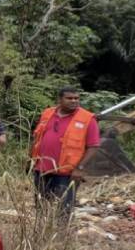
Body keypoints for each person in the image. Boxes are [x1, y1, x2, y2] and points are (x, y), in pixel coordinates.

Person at [31, 86, 100, 215]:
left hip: (66, 173)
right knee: (41, 209)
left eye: (76, 98)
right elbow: (37, 138)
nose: (74, 101)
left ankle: (61, 234)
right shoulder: (47, 113)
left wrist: (80, 168)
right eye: (69, 98)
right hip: (41, 170)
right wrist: (30, 161)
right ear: (60, 99)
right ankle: (42, 234)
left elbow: (94, 146)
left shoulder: (88, 119)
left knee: (63, 211)